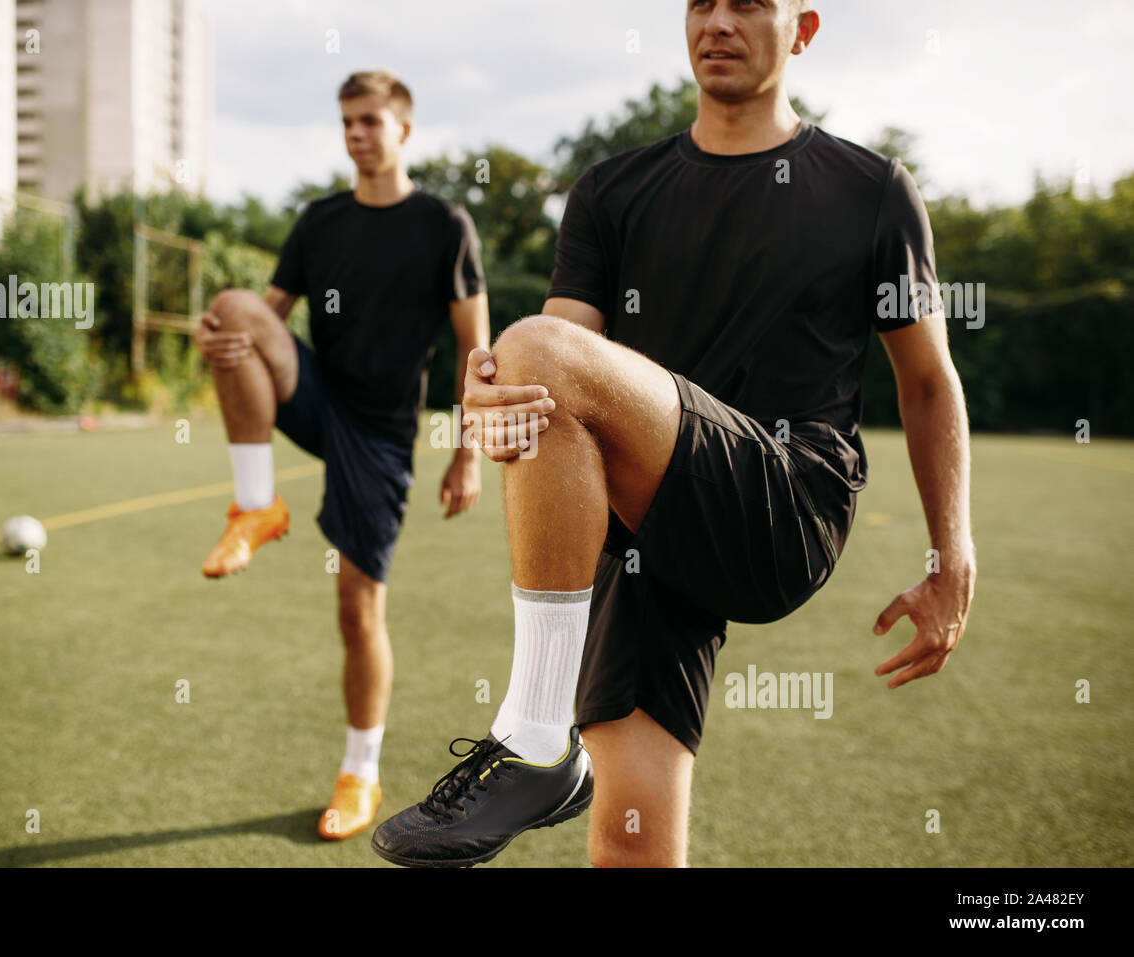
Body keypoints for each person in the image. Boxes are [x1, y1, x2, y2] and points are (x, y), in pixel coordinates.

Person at [372, 0, 975, 867]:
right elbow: (553, 366)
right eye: (701, 3)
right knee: (631, 846)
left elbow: (927, 381)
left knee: (535, 348)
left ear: (802, 28)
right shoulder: (613, 190)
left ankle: (536, 739)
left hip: (784, 501)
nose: (719, 21)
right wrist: (497, 397)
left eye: (748, 3)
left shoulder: (871, 189)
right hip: (643, 520)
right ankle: (549, 751)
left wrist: (951, 555)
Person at [195, 71, 490, 842]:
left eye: (369, 121)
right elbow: (267, 320)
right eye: (347, 123)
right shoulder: (319, 221)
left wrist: (468, 457)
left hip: (385, 433)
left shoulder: (444, 224)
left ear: (404, 130)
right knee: (232, 306)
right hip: (319, 395)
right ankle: (256, 503)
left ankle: (360, 770)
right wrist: (222, 341)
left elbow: (474, 351)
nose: (356, 134)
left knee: (358, 607)